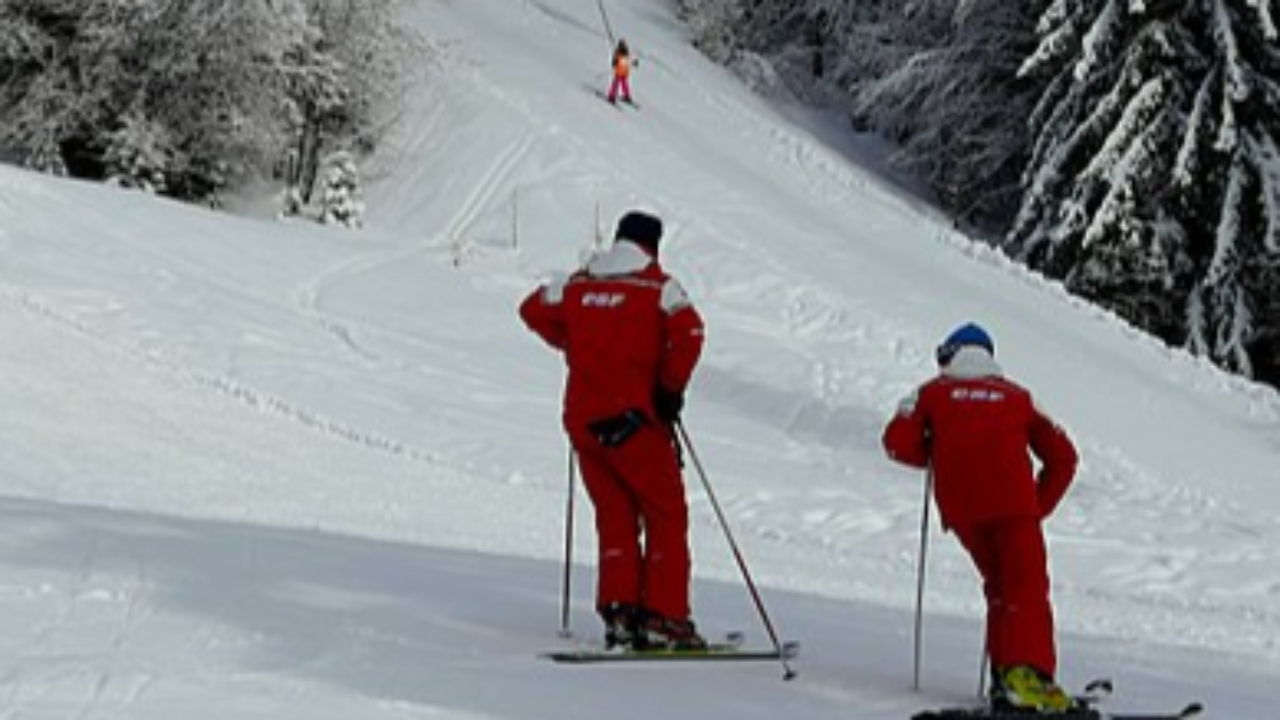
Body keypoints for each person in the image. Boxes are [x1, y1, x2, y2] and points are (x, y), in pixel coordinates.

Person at [519, 210, 706, 650]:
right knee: (665, 515)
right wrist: (669, 389)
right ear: (651, 246)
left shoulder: (579, 283)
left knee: (615, 515)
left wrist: (575, 343)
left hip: (584, 422)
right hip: (635, 421)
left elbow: (531, 308)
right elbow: (691, 332)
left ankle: (620, 613)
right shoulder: (658, 287)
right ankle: (665, 618)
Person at [882, 323, 1079, 712]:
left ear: (950, 355)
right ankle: (1024, 676)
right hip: (1014, 508)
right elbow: (1064, 457)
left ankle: (1007, 676)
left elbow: (897, 443)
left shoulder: (930, 393)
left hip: (962, 511)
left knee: (999, 585)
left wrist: (940, 455)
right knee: (1024, 588)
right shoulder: (1018, 397)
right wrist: (1037, 507)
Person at [607, 39, 634, 105]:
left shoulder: (620, 53)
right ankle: (624, 96)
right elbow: (615, 62)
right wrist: (615, 62)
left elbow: (628, 61)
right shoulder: (621, 53)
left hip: (621, 72)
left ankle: (613, 96)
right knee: (622, 84)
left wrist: (615, 62)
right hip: (622, 72)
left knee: (618, 84)